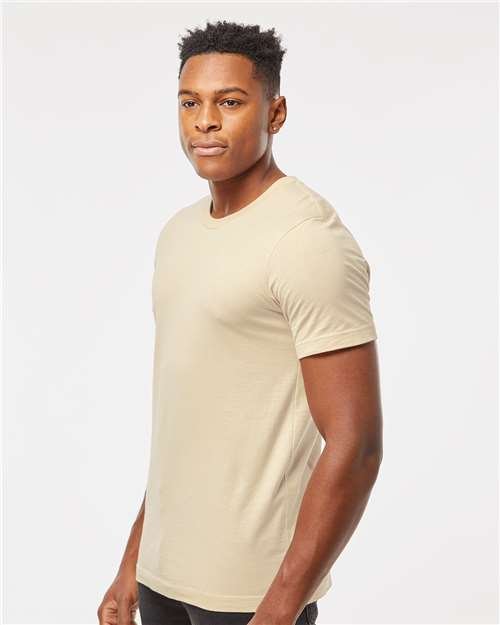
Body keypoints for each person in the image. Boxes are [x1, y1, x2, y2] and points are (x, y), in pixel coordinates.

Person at [97, 19, 383, 625]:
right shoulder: (178, 234)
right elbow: (189, 425)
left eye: (229, 102)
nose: (204, 121)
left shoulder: (306, 241)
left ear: (275, 113)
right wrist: (133, 560)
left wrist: (280, 607)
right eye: (190, 102)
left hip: (250, 595)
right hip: (161, 576)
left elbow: (356, 443)